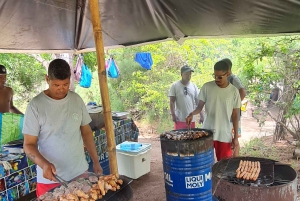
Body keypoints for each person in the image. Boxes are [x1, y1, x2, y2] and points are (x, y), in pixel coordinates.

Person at [22, 59, 103, 197]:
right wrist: (44, 164)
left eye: (65, 84)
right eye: (56, 85)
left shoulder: (76, 100)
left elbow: (87, 133)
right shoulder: (35, 106)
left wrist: (96, 161)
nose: (61, 89)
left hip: (80, 174)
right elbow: (28, 145)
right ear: (47, 79)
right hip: (51, 179)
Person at [186, 60, 241, 161]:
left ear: (228, 74)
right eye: (215, 76)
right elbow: (199, 107)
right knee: (204, 163)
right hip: (207, 133)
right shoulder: (207, 87)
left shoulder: (234, 91)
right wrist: (191, 114)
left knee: (224, 166)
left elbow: (235, 115)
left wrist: (236, 137)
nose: (217, 79)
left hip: (224, 134)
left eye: (220, 77)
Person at [169, 65, 201, 130]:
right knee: (179, 138)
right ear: (181, 74)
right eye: (186, 74)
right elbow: (172, 101)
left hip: (191, 119)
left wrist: (202, 115)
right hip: (179, 119)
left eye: (190, 74)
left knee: (191, 138)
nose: (188, 76)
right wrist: (173, 115)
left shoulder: (194, 86)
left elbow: (198, 102)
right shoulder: (175, 86)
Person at [221, 58, 246, 137]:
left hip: (233, 113)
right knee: (226, 137)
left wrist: (234, 105)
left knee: (234, 137)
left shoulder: (233, 79)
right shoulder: (223, 79)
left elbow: (242, 93)